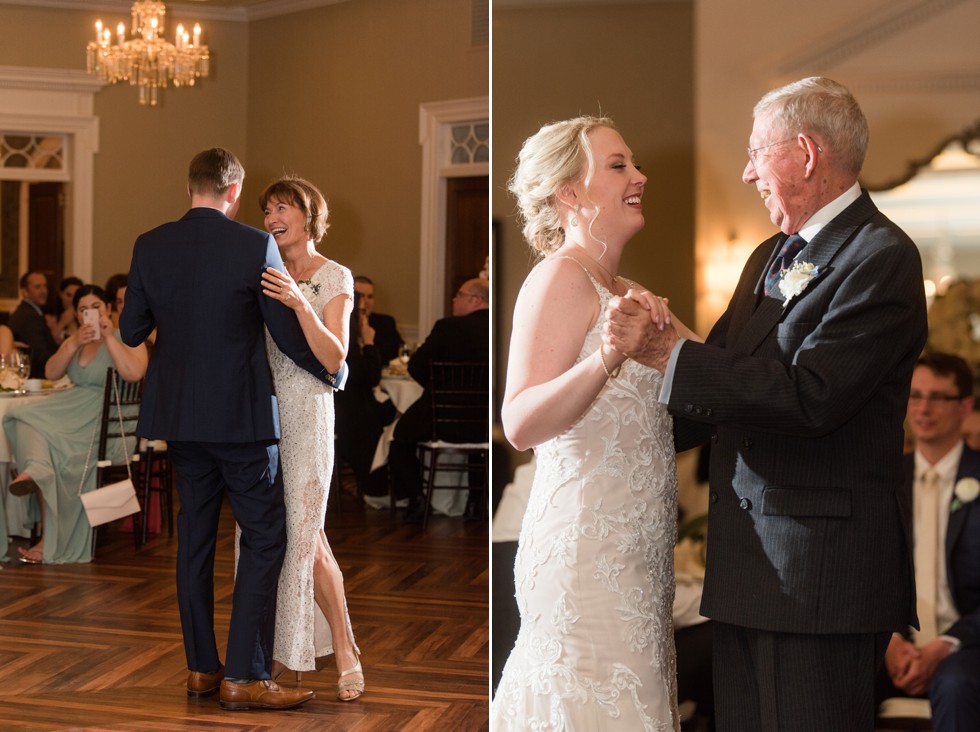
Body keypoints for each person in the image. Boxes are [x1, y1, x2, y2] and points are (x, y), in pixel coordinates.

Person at [606, 77, 929, 731]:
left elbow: (813, 398)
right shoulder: (768, 257)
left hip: (818, 577)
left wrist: (669, 351)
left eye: (759, 152)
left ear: (805, 154)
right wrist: (613, 429)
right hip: (748, 567)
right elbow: (719, 385)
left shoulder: (881, 256)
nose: (749, 171)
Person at [120, 148, 344, 711]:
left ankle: (200, 669)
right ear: (235, 190)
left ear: (189, 185)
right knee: (266, 538)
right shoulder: (252, 245)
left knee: (193, 538)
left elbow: (130, 330)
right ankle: (244, 674)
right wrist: (330, 370)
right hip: (242, 423)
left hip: (179, 421)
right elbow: (280, 329)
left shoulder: (150, 245)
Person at [490, 116, 681, 730]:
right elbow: (518, 421)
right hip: (584, 560)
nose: (639, 176)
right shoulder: (558, 277)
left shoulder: (630, 291)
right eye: (619, 165)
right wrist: (606, 356)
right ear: (568, 193)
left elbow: (716, 378)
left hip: (642, 563)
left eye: (635, 162)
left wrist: (663, 338)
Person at [257, 175, 365, 701]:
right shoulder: (263, 272)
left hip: (309, 412)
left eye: (283, 207)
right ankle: (314, 647)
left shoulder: (335, 275)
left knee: (304, 534)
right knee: (297, 537)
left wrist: (300, 303)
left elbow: (334, 358)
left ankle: (326, 651)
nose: (272, 217)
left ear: (308, 216)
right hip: (264, 417)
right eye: (267, 210)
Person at [3, 284, 148, 564]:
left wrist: (108, 337)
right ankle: (38, 470)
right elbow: (51, 372)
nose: (89, 314)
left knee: (43, 434)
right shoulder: (76, 340)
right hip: (72, 411)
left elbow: (133, 374)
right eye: (83, 310)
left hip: (105, 420)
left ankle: (46, 521)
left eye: (95, 307)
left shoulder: (128, 336)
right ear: (77, 314)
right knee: (22, 416)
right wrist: (73, 343)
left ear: (107, 308)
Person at [875, 353, 980, 731]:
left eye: (938, 396)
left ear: (965, 406)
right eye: (915, 395)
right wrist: (887, 642)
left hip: (967, 646)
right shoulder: (884, 481)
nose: (923, 407)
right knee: (827, 673)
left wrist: (946, 644)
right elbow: (863, 574)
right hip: (891, 645)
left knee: (955, 683)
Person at [388, 277, 489, 524]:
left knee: (398, 440)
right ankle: (476, 504)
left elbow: (416, 366)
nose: (454, 299)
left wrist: (438, 392)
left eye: (459, 294)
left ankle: (416, 498)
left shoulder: (448, 327)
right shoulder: (500, 327)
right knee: (480, 452)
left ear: (475, 300)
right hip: (485, 422)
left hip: (441, 420)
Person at [335, 290, 396, 498]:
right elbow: (371, 377)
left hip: (346, 406)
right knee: (394, 416)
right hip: (349, 413)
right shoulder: (346, 341)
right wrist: (369, 342)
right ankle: (378, 484)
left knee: (392, 412)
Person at [8, 271, 58, 378]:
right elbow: (39, 356)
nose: (44, 291)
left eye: (45, 286)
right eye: (37, 287)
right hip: (35, 379)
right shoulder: (28, 316)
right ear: (24, 292)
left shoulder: (30, 313)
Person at [353, 275, 404, 363]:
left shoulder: (386, 323)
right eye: (361, 296)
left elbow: (399, 354)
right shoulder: (344, 324)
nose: (366, 301)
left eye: (370, 297)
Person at [52, 276, 83, 342]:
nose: (72, 300)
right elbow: (49, 343)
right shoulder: (51, 317)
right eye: (68, 295)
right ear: (61, 294)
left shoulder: (85, 317)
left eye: (76, 296)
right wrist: (63, 322)